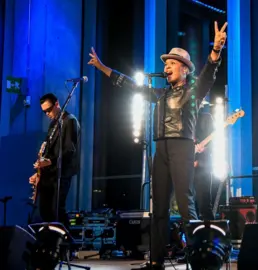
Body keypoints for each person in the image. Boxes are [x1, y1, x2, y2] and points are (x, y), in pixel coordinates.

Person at [88, 21, 227, 269]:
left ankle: (198, 259)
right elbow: (133, 85)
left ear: (185, 70)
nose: (167, 66)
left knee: (185, 203)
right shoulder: (161, 94)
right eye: (166, 63)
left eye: (172, 63)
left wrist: (215, 50)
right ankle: (156, 260)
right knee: (159, 206)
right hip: (160, 148)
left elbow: (209, 73)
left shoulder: (194, 91)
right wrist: (103, 68)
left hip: (182, 146)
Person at [29, 93, 80, 228]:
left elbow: (70, 149)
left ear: (57, 104)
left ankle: (66, 243)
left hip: (61, 173)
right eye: (44, 111)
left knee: (57, 210)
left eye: (49, 110)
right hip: (49, 173)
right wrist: (39, 171)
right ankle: (49, 243)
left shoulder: (70, 121)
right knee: (44, 211)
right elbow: (47, 151)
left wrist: (50, 162)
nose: (47, 114)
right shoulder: (53, 124)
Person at [194, 111, 215, 220]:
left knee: (204, 205)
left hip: (202, 168)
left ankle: (211, 234)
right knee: (186, 206)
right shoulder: (180, 117)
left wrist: (205, 148)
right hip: (184, 166)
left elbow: (214, 141)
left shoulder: (206, 118)